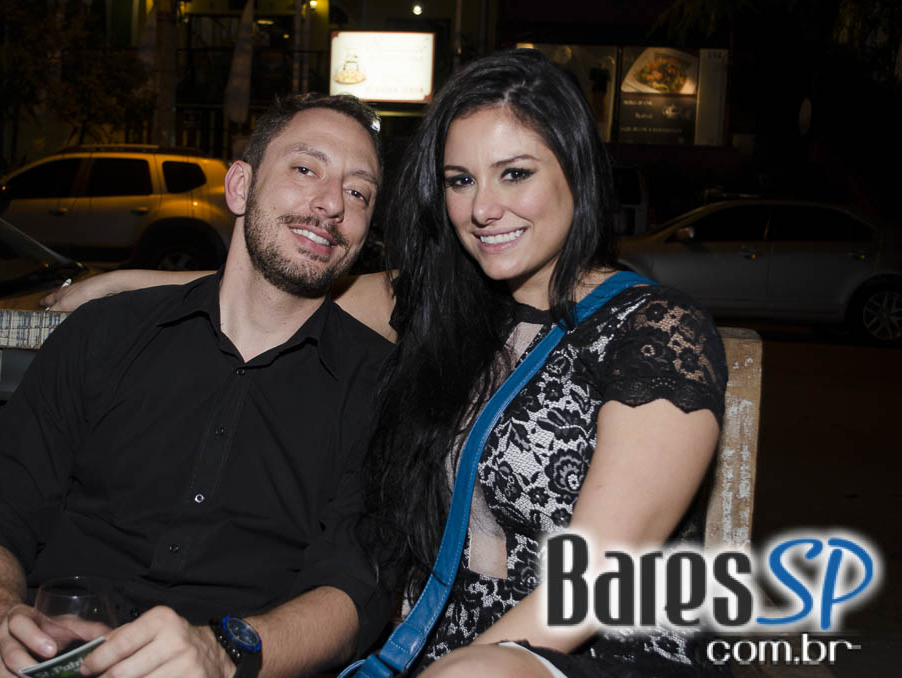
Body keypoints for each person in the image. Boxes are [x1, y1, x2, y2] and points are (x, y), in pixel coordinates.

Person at [45, 50, 729, 678]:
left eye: (515, 173)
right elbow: (281, 280)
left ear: (574, 170)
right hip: (437, 653)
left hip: (591, 654)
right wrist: (128, 282)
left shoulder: (653, 331)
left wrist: (462, 667)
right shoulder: (441, 308)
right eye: (461, 180)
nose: (483, 208)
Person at [0, 93, 393, 678]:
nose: (332, 204)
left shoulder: (379, 389)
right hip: (46, 646)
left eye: (358, 193)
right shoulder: (105, 335)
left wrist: (223, 652)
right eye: (306, 169)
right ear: (240, 187)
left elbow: (355, 589)